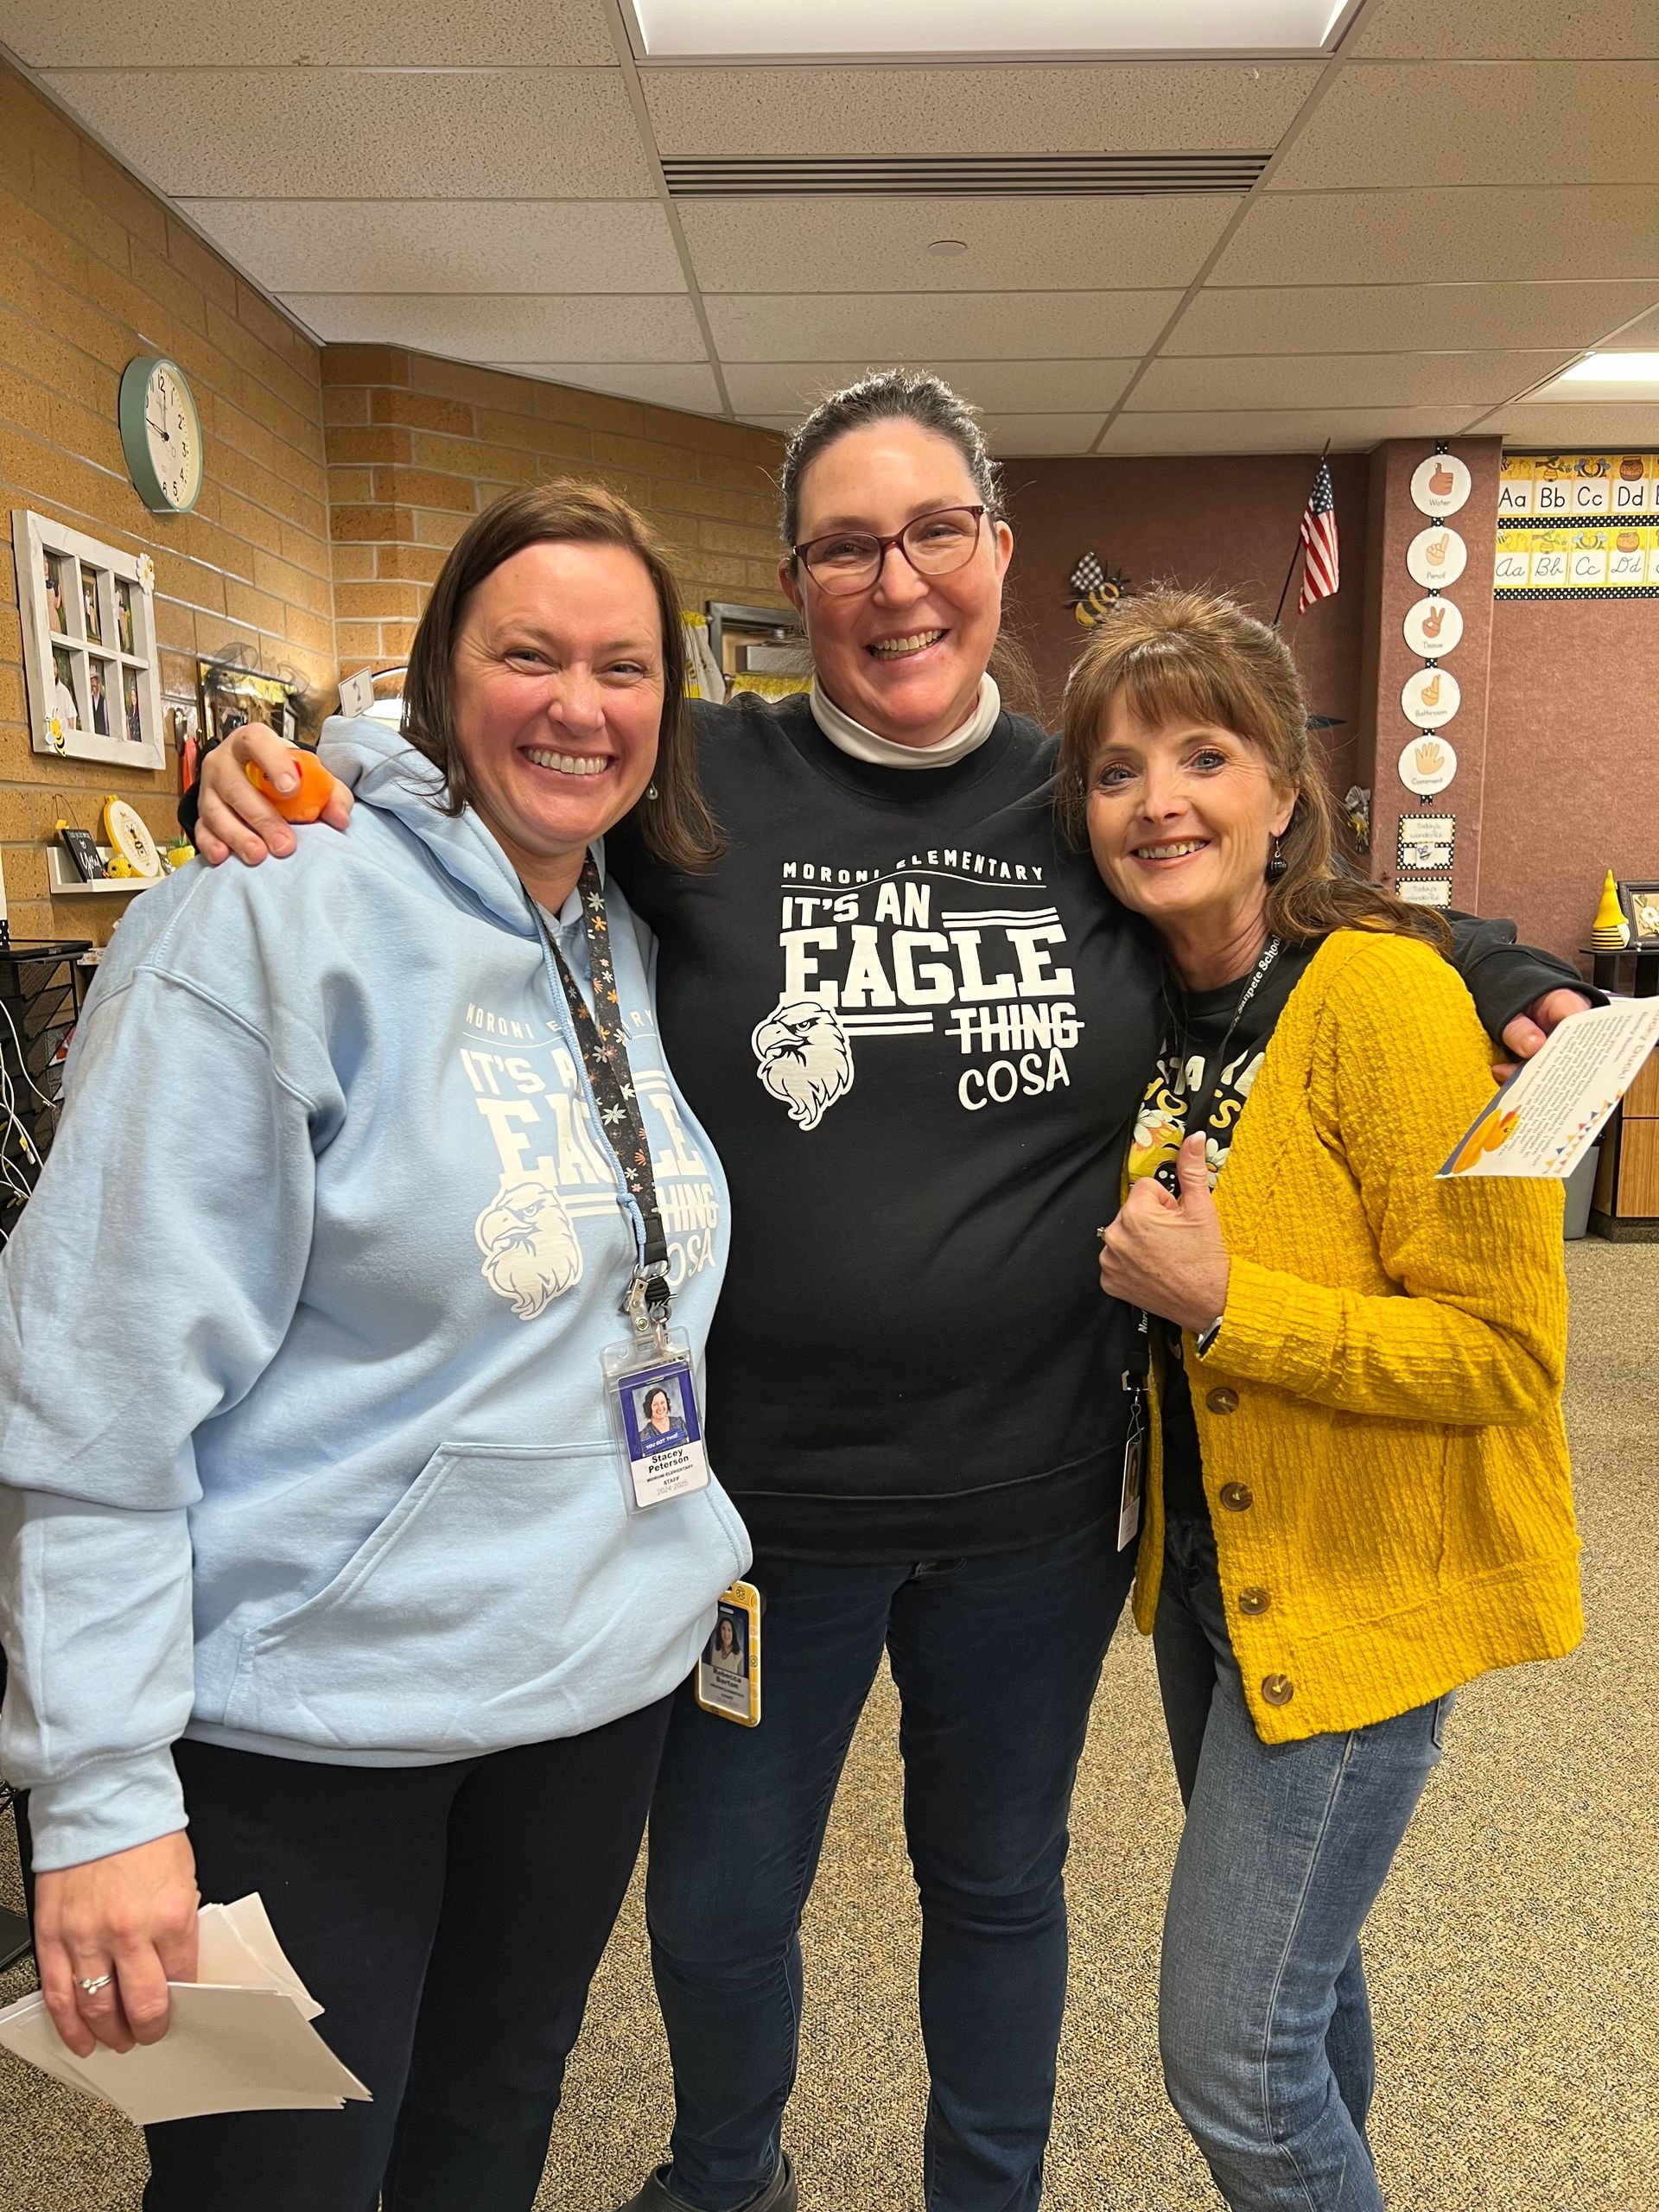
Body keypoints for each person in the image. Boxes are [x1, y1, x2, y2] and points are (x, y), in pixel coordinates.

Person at [185, 374, 1593, 2212]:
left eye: (936, 531)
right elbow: (509, 777)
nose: (897, 579)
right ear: (793, 581)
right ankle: (727, 2176)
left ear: (1001, 554)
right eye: (847, 544)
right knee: (712, 1901)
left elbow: (1271, 893)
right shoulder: (700, 782)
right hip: (747, 1502)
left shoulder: (1088, 794)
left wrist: (1492, 950)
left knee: (997, 1888)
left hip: (1033, 1501)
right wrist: (293, 768)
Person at [0, 484, 750, 2212]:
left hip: (585, 1702)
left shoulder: (618, 931)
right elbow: (94, 1386)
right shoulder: (262, 914)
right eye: (531, 654)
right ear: (437, 677)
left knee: (485, 2138)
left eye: (625, 665)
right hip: (295, 1737)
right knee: (266, 2183)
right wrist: (101, 1790)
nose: (581, 701)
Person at [1071, 589, 1581, 2209]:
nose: (1160, 800)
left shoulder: (1381, 996)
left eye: (1203, 755)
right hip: (1220, 1581)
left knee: (1228, 2055)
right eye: (1116, 770)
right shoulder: (1144, 999)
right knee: (1306, 1993)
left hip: (1365, 1598)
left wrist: (1232, 1311)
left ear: (1287, 790)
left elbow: (1506, 1356)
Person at [641, 1383, 691, 1453]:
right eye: (655, 1404)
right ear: (649, 1408)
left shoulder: (679, 1423)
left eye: (662, 1402)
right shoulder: (644, 1436)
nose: (660, 1407)